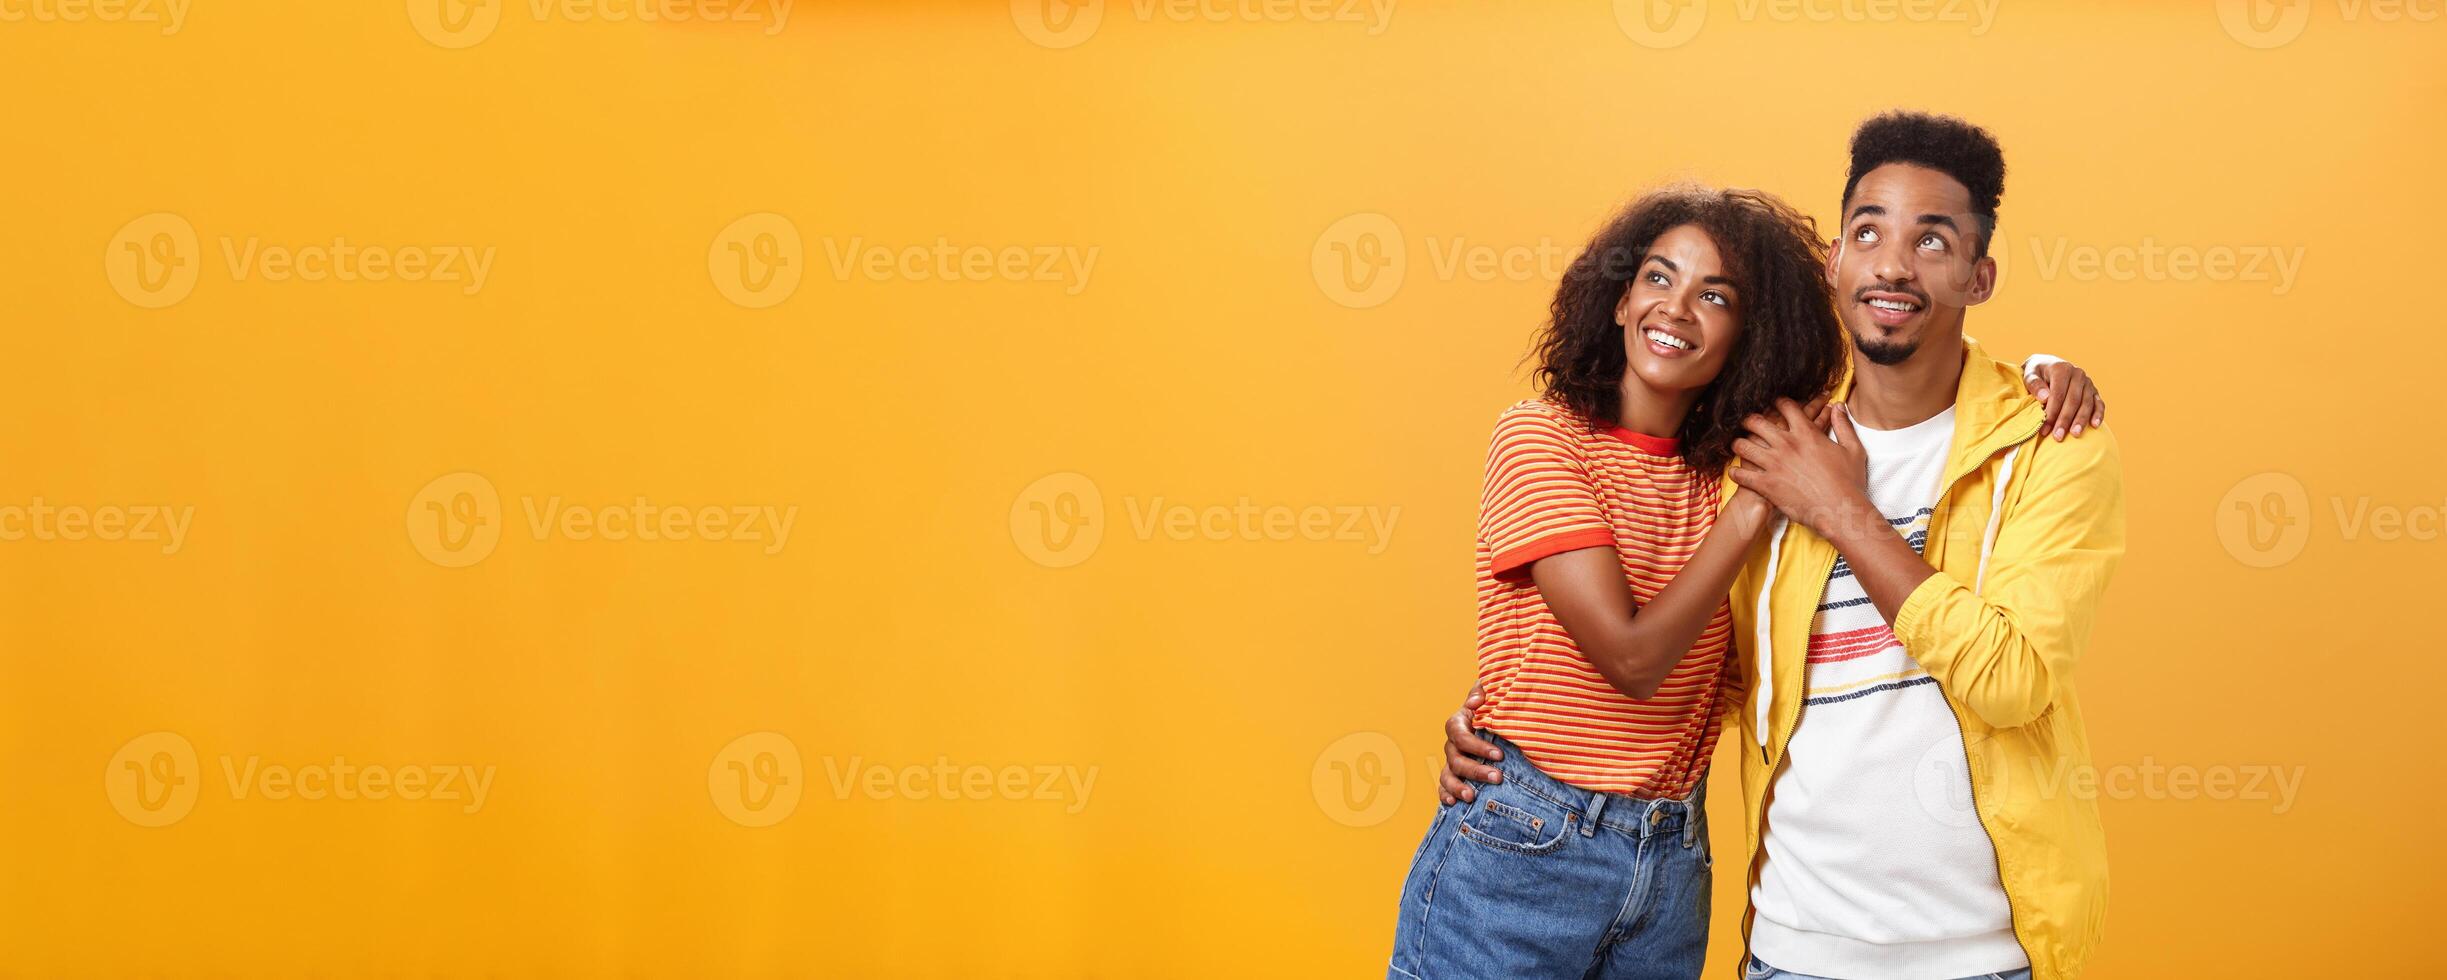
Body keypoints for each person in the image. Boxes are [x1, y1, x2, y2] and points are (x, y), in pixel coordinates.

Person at [1439, 112, 2122, 980]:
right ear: (1834, 260)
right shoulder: (1760, 451)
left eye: (1932, 240)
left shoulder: (2048, 442)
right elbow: (1696, 666)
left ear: (1977, 276)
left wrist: (1844, 511)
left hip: (1978, 953)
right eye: (1868, 232)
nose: (1891, 264)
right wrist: (1508, 724)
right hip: (1789, 947)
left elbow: (2010, 681)